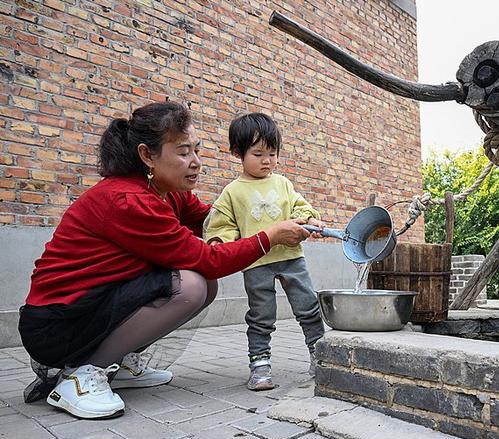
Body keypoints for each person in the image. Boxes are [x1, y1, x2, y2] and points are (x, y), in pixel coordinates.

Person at [18, 102, 310, 419]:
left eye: (197, 150)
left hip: (100, 301)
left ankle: (120, 361)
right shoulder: (129, 200)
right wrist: (270, 236)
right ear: (147, 155)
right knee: (192, 285)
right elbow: (209, 260)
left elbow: (214, 219)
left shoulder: (166, 190)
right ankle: (80, 376)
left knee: (200, 285)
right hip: (59, 322)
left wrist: (265, 205)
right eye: (184, 152)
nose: (196, 163)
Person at [204, 112, 326, 391]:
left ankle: (320, 356)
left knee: (308, 307)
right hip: (256, 263)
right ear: (238, 153)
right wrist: (218, 242)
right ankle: (260, 364)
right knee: (261, 315)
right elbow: (222, 223)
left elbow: (300, 206)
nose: (267, 161)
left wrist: (310, 219)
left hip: (291, 258)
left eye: (272, 154)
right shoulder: (232, 192)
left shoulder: (282, 183)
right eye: (258, 154)